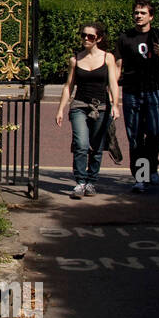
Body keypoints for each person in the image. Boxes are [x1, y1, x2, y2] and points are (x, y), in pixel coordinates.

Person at [116, 0, 159, 193]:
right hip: (131, 92)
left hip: (153, 90)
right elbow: (118, 67)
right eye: (136, 12)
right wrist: (112, 94)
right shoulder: (125, 38)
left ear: (151, 16)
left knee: (154, 133)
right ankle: (140, 177)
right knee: (135, 137)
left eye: (143, 13)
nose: (138, 16)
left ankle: (153, 166)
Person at [55, 21, 121, 198]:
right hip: (79, 106)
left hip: (102, 106)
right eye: (83, 35)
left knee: (97, 147)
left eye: (90, 36)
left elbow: (114, 84)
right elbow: (68, 86)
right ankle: (80, 182)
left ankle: (92, 181)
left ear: (98, 38)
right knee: (81, 144)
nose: (85, 38)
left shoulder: (108, 58)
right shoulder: (75, 59)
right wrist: (61, 109)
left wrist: (115, 105)